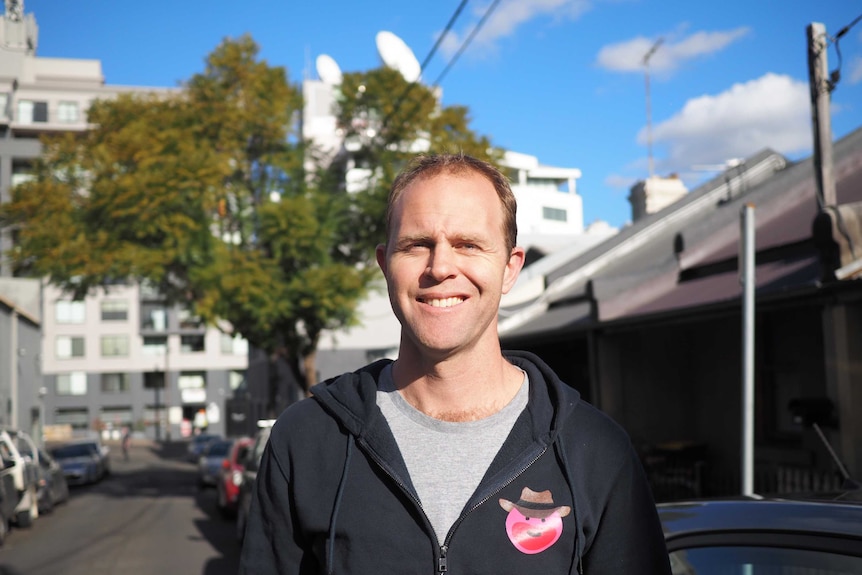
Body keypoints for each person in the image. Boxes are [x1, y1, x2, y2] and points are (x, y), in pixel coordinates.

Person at [239, 153, 672, 574]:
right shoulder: (306, 440)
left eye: (468, 244)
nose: (441, 267)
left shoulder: (594, 450)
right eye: (416, 245)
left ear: (509, 268)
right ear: (385, 265)